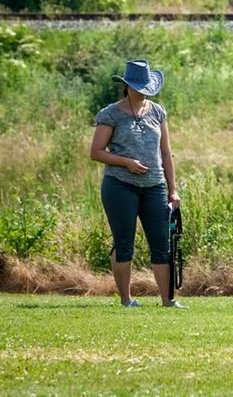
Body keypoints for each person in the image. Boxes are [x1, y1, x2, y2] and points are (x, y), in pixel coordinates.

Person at [89, 59, 184, 309]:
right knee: (124, 242)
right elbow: (96, 152)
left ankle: (167, 301)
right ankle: (126, 300)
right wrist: (126, 162)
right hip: (120, 185)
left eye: (145, 87)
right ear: (127, 86)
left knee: (161, 243)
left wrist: (173, 190)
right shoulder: (111, 114)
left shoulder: (157, 111)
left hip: (155, 186)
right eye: (137, 86)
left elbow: (166, 154)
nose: (142, 91)